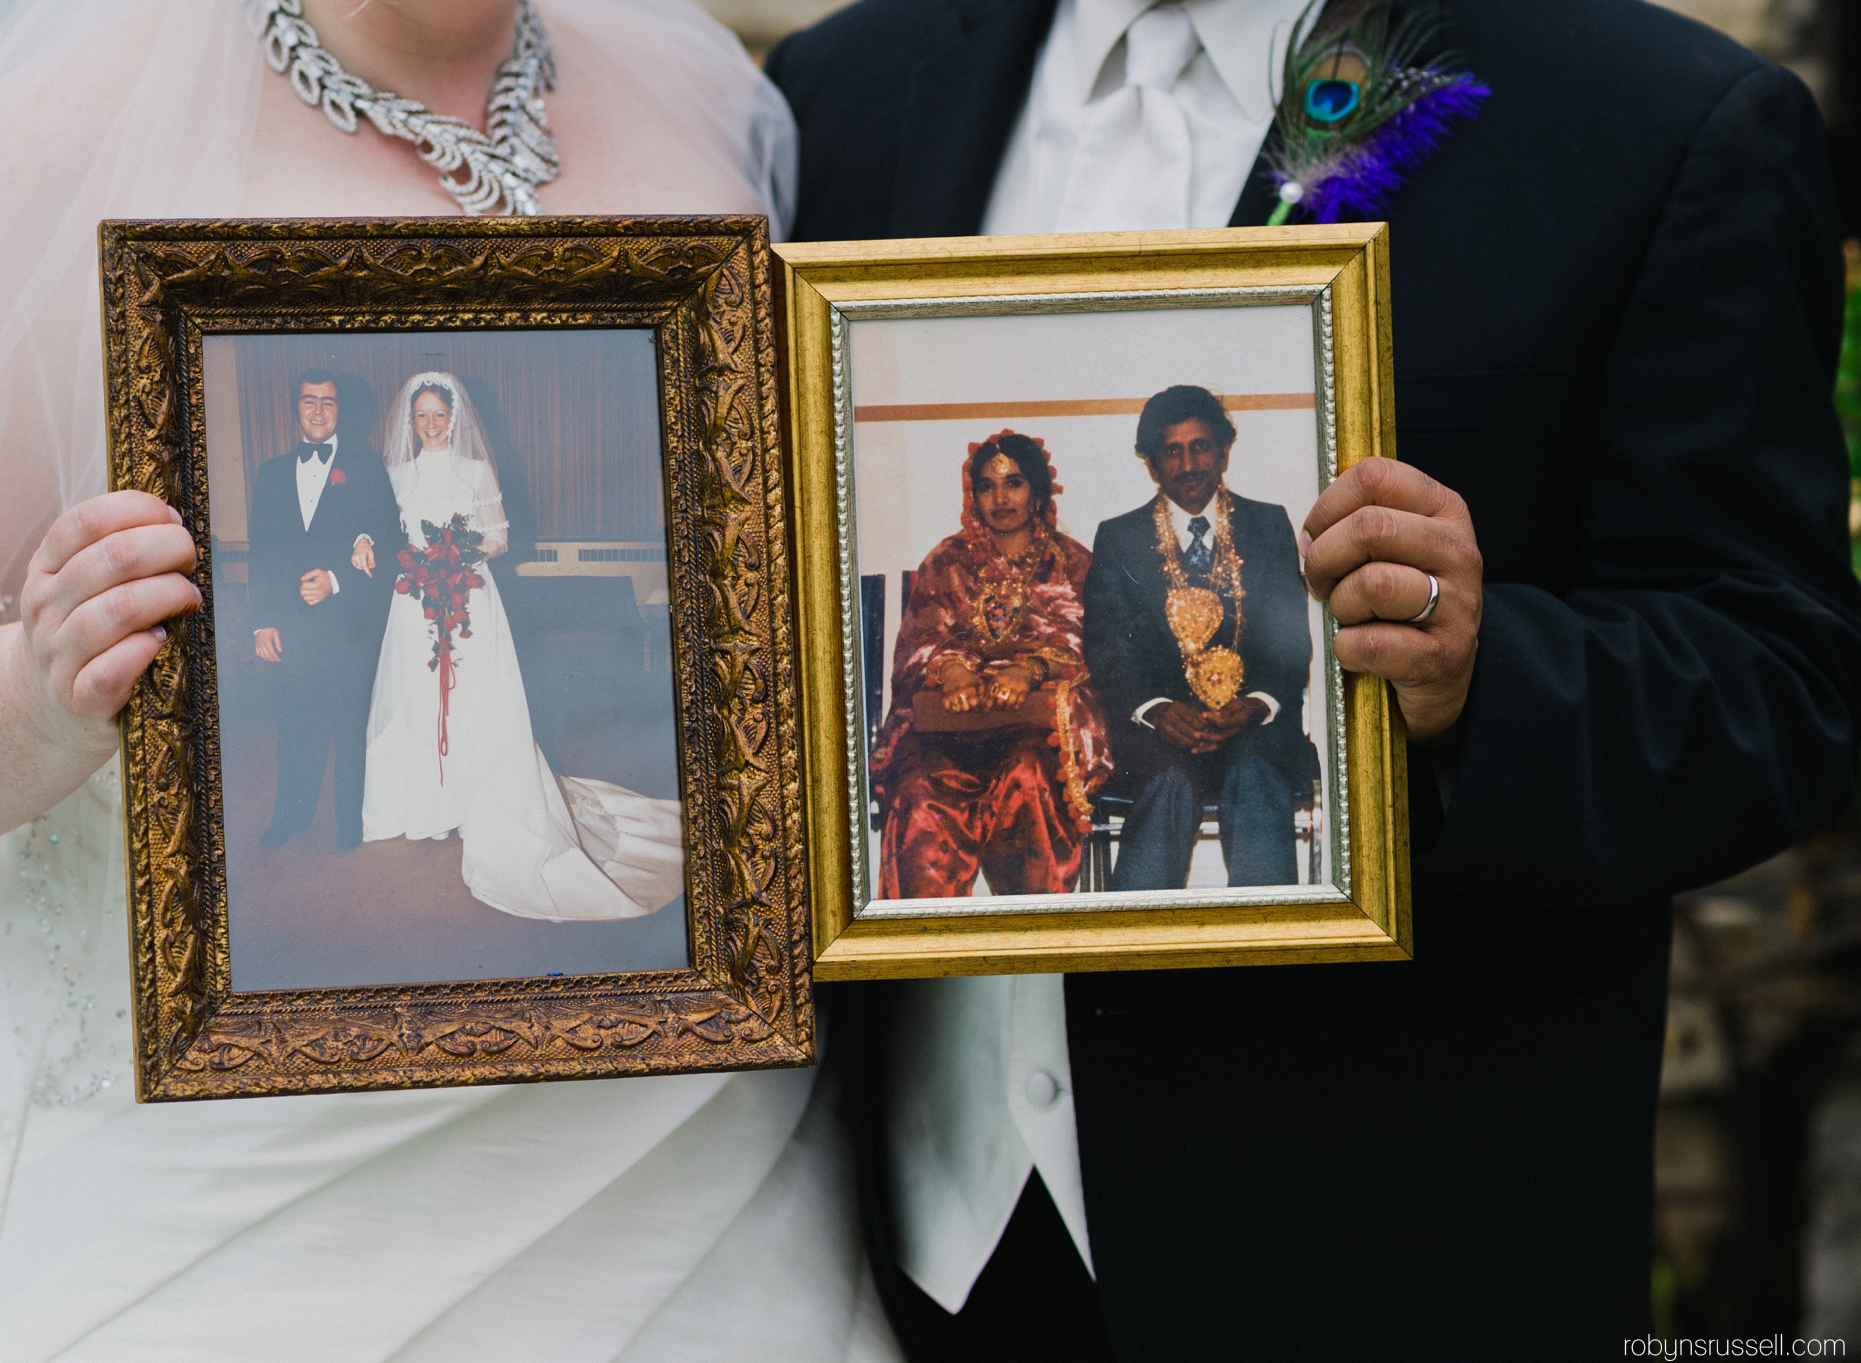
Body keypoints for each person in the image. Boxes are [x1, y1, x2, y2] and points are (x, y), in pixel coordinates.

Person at [766, 0, 1861, 1357]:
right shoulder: (840, 92)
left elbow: (1778, 674)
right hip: (919, 1264)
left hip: (1383, 1255)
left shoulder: (1658, 114)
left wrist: (1482, 676)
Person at [0, 1, 897, 1358]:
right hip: (216, 1205)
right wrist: (36, 695)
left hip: (696, 1184)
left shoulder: (716, 103)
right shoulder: (63, 129)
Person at [362, 371, 682, 919]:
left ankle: (474, 802)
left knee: (475, 699)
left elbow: (500, 536)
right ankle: (427, 805)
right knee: (418, 697)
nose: (432, 425)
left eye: (441, 414)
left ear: (454, 419)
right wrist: (370, 541)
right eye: (423, 416)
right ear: (410, 423)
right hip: (414, 600)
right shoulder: (395, 475)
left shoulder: (475, 470)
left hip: (469, 594)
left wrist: (459, 555)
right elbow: (377, 528)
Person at [1082, 386, 1309, 891]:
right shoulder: (1118, 537)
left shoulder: (1268, 526)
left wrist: (1255, 703)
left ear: (1224, 451)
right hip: (1157, 735)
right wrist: (1157, 709)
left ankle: (1264, 945)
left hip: (1253, 725)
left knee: (1255, 777)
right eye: (1172, 450)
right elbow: (1107, 650)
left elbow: (1291, 644)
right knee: (1167, 784)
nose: (1188, 464)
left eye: (1201, 446)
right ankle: (1133, 946)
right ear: (1152, 463)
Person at [870, 430, 1109, 900]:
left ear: (1038, 491)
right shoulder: (946, 561)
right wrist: (950, 669)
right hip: (950, 731)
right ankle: (925, 950)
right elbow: (918, 644)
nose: (1000, 498)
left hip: (1034, 735)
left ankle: (1028, 938)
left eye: (1014, 483)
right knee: (918, 792)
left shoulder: (1074, 564)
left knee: (1027, 779)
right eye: (986, 486)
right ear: (972, 495)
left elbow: (1093, 648)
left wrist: (1032, 671)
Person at [251, 369, 406, 852]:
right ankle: (288, 816)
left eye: (328, 403)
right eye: (309, 401)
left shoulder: (367, 467)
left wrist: (337, 579)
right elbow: (262, 552)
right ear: (296, 408)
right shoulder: (272, 472)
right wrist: (261, 621)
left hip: (348, 625)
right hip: (290, 625)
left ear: (342, 411)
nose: (318, 411)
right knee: (293, 725)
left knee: (348, 725)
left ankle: (348, 822)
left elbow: (391, 540)